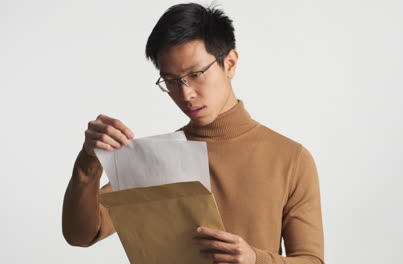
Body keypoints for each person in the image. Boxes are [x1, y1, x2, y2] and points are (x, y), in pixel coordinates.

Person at [61, 2, 325, 264]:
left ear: (230, 63)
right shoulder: (159, 158)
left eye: (196, 74)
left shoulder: (291, 158)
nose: (185, 93)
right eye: (172, 82)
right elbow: (82, 234)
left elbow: (312, 260)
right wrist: (88, 163)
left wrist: (255, 259)